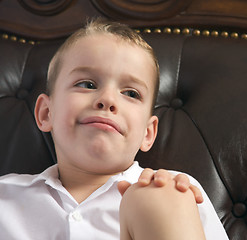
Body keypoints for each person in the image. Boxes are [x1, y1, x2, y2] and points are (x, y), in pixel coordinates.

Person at [0, 18, 229, 239]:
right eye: (87, 84)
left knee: (159, 199)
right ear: (46, 113)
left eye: (131, 93)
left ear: (148, 133)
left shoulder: (176, 191)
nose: (107, 99)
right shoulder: (6, 196)